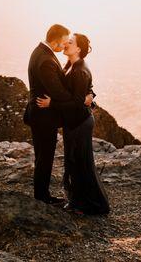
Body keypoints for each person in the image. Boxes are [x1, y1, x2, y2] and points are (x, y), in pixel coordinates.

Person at [36, 33, 110, 215]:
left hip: (80, 122)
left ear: (78, 49)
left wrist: (51, 103)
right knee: (74, 162)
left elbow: (77, 101)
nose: (66, 43)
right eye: (67, 40)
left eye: (70, 42)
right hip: (74, 121)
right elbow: (85, 92)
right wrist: (90, 96)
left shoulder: (79, 70)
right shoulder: (71, 65)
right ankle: (78, 201)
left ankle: (90, 205)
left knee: (80, 163)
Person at [23, 24, 94, 204]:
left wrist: (89, 95)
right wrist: (80, 99)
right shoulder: (46, 59)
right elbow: (58, 92)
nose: (63, 46)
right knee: (45, 157)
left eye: (68, 43)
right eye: (62, 43)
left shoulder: (41, 52)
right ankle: (42, 197)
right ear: (54, 41)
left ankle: (42, 194)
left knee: (43, 156)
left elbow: (78, 82)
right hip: (43, 117)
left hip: (43, 115)